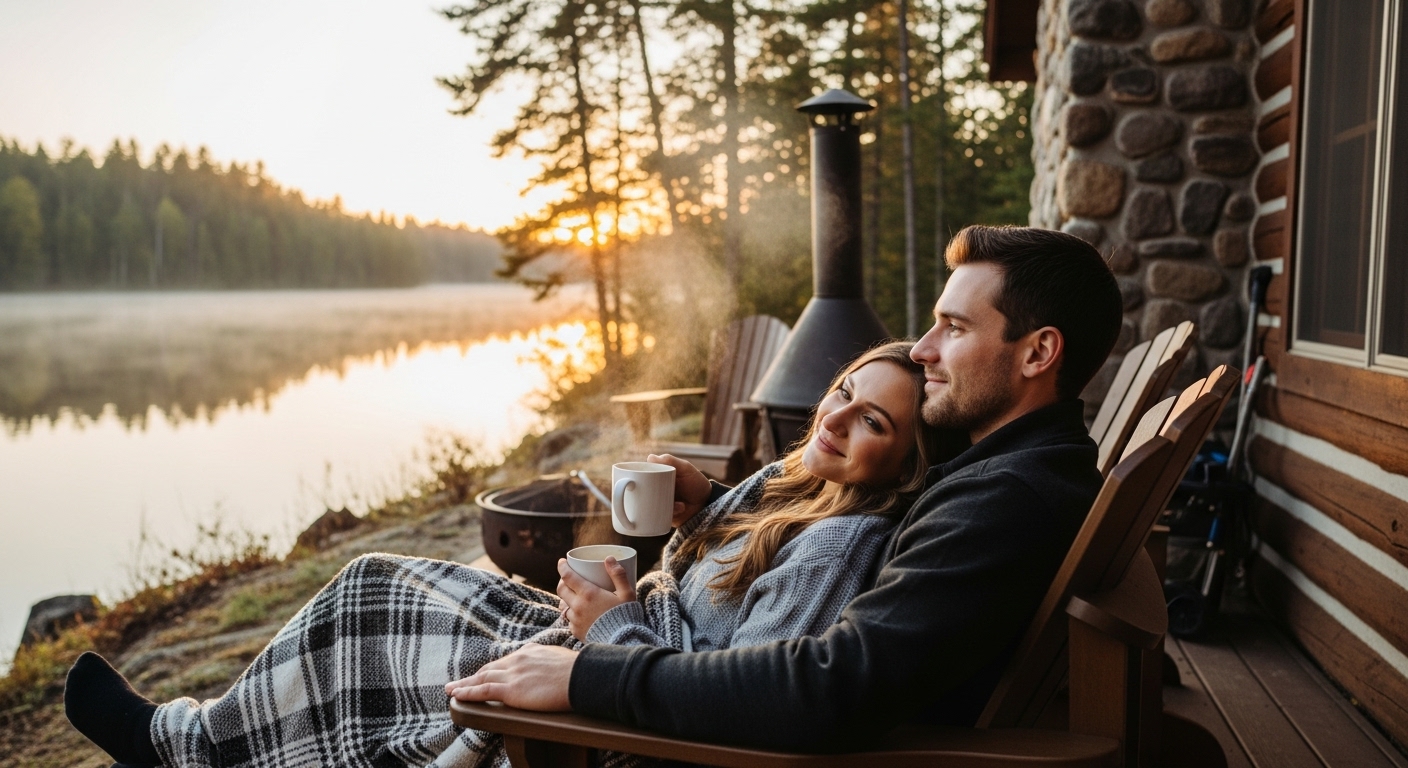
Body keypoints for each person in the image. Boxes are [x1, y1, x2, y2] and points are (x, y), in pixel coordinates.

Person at [63, 342, 951, 768]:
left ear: (906, 462)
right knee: (375, 581)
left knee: (370, 618)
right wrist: (701, 509)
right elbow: (719, 583)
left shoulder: (843, 542)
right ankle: (210, 740)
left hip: (622, 708)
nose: (836, 417)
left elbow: (740, 689)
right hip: (618, 644)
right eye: (843, 390)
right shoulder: (796, 485)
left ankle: (180, 745)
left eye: (872, 421)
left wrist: (614, 625)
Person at [446, 224, 1125, 752]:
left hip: (646, 732)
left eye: (954, 328)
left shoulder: (1006, 501)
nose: (922, 350)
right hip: (655, 670)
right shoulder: (1011, 470)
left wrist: (588, 673)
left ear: (1038, 352)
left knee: (394, 608)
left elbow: (826, 688)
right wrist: (718, 504)